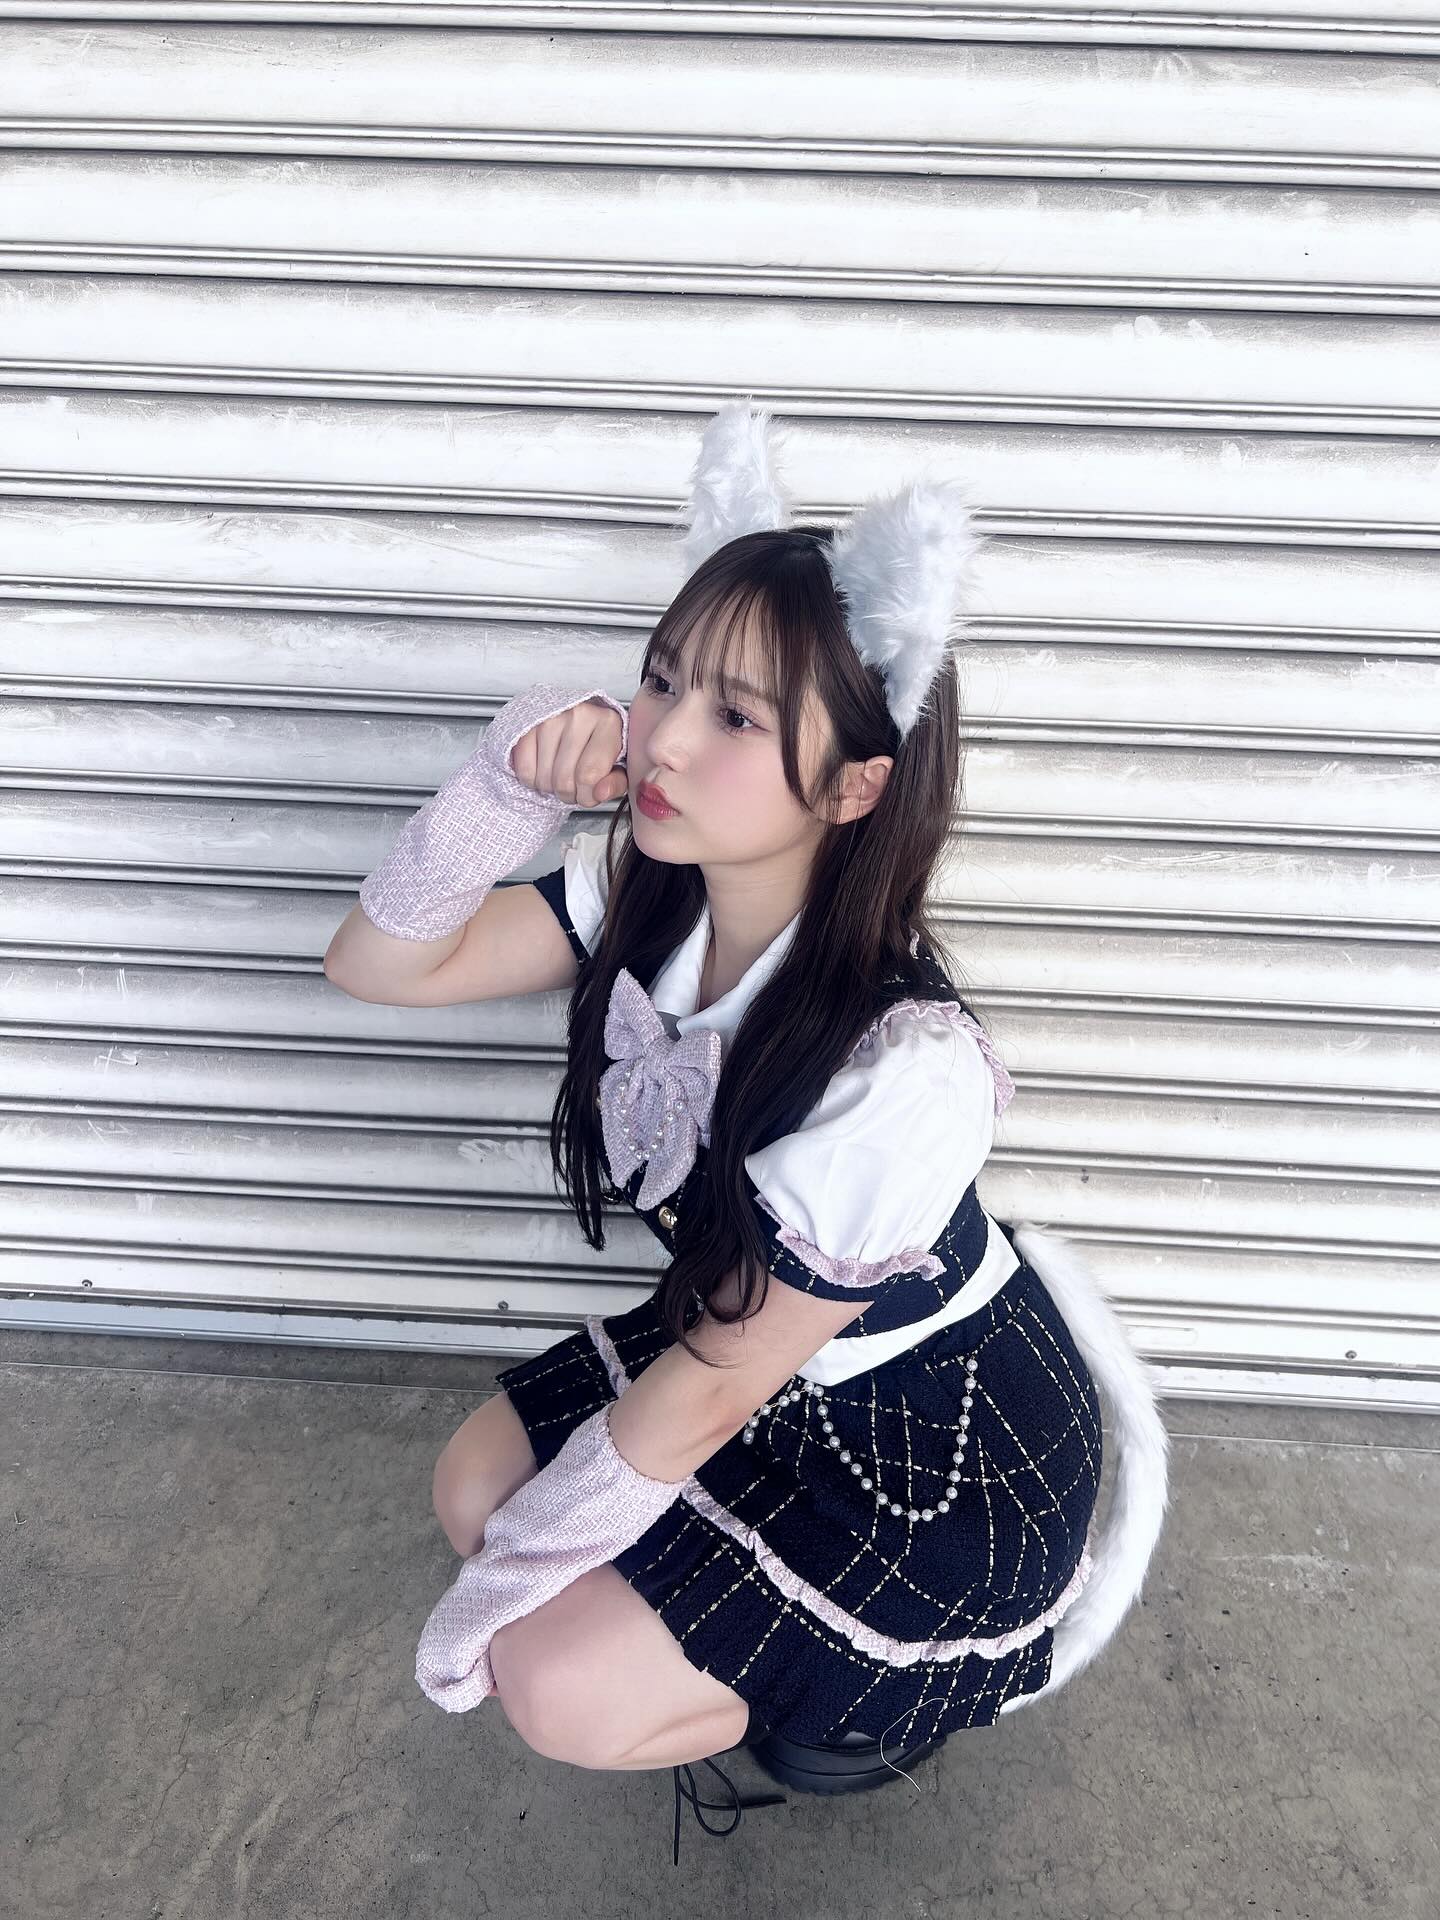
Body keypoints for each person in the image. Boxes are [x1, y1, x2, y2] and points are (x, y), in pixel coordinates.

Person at [325, 401, 1170, 1866]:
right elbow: (379, 966)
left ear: (854, 785)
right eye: (662, 680)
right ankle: (701, 1640)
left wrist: (494, 1605)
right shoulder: (645, 896)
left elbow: (710, 1391)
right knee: (472, 1487)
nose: (660, 736)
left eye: (735, 716)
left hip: (932, 1450)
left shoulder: (906, 1072)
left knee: (549, 1677)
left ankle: (842, 1724)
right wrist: (499, 788)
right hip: (747, 1355)